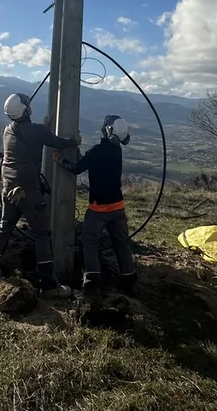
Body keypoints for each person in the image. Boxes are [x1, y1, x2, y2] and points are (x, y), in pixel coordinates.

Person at [0, 92, 81, 298]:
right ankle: (49, 285)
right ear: (25, 109)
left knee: (4, 227)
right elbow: (58, 142)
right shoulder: (37, 131)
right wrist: (74, 141)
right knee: (41, 234)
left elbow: (36, 137)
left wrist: (45, 127)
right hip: (28, 190)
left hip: (9, 187)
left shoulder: (8, 130)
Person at [54, 115, 138, 298]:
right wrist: (78, 153)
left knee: (89, 242)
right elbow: (90, 162)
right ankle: (130, 282)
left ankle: (92, 284)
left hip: (99, 209)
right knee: (121, 244)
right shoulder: (117, 151)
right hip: (118, 207)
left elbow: (77, 169)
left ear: (107, 131)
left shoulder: (97, 151)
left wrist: (61, 161)